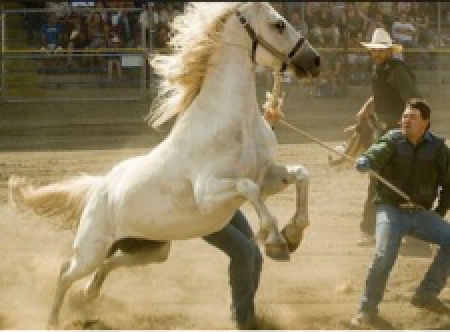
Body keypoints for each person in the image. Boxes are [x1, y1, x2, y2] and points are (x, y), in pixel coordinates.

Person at [350, 99, 450, 328]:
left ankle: (426, 293)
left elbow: (449, 184)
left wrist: (438, 213)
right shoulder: (393, 140)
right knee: (384, 254)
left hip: (421, 213)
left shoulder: (439, 149)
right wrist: (367, 160)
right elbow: (378, 152)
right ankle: (367, 309)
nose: (406, 120)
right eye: (405, 116)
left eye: (413, 117)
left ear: (426, 123)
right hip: (391, 210)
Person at [355, 28, 421, 246]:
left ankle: (403, 230)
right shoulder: (381, 70)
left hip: (397, 130)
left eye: (381, 50)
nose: (377, 54)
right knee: (379, 176)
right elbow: (380, 95)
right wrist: (365, 108)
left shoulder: (397, 70)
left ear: (389, 51)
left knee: (395, 178)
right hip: (383, 131)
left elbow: (412, 99)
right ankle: (374, 229)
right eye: (375, 50)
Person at [203, 210, 263, 329]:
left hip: (226, 204)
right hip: (202, 210)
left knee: (256, 257)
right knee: (245, 252)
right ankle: (243, 320)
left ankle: (242, 312)